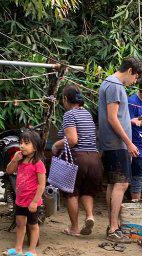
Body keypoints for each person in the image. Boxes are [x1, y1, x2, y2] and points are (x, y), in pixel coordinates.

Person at [98, 57, 142, 243]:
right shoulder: (115, 85)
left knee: (114, 184)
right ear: (131, 71)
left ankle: (113, 226)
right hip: (117, 144)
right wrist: (129, 143)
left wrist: (130, 123)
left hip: (113, 144)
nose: (134, 82)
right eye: (135, 78)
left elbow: (116, 117)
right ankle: (114, 228)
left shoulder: (109, 83)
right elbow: (112, 118)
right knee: (121, 184)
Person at [53, 85, 102, 237]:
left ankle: (74, 228)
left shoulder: (69, 114)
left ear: (66, 99)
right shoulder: (87, 113)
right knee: (87, 191)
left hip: (77, 158)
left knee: (71, 193)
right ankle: (89, 216)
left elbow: (73, 140)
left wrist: (56, 145)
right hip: (94, 159)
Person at [3, 129, 45, 256]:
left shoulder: (38, 164)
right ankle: (18, 249)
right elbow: (9, 171)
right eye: (21, 143)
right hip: (20, 200)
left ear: (35, 147)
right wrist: (14, 160)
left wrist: (34, 202)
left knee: (33, 226)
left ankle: (32, 250)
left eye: (26, 143)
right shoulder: (20, 160)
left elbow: (41, 185)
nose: (21, 146)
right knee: (20, 224)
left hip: (32, 202)